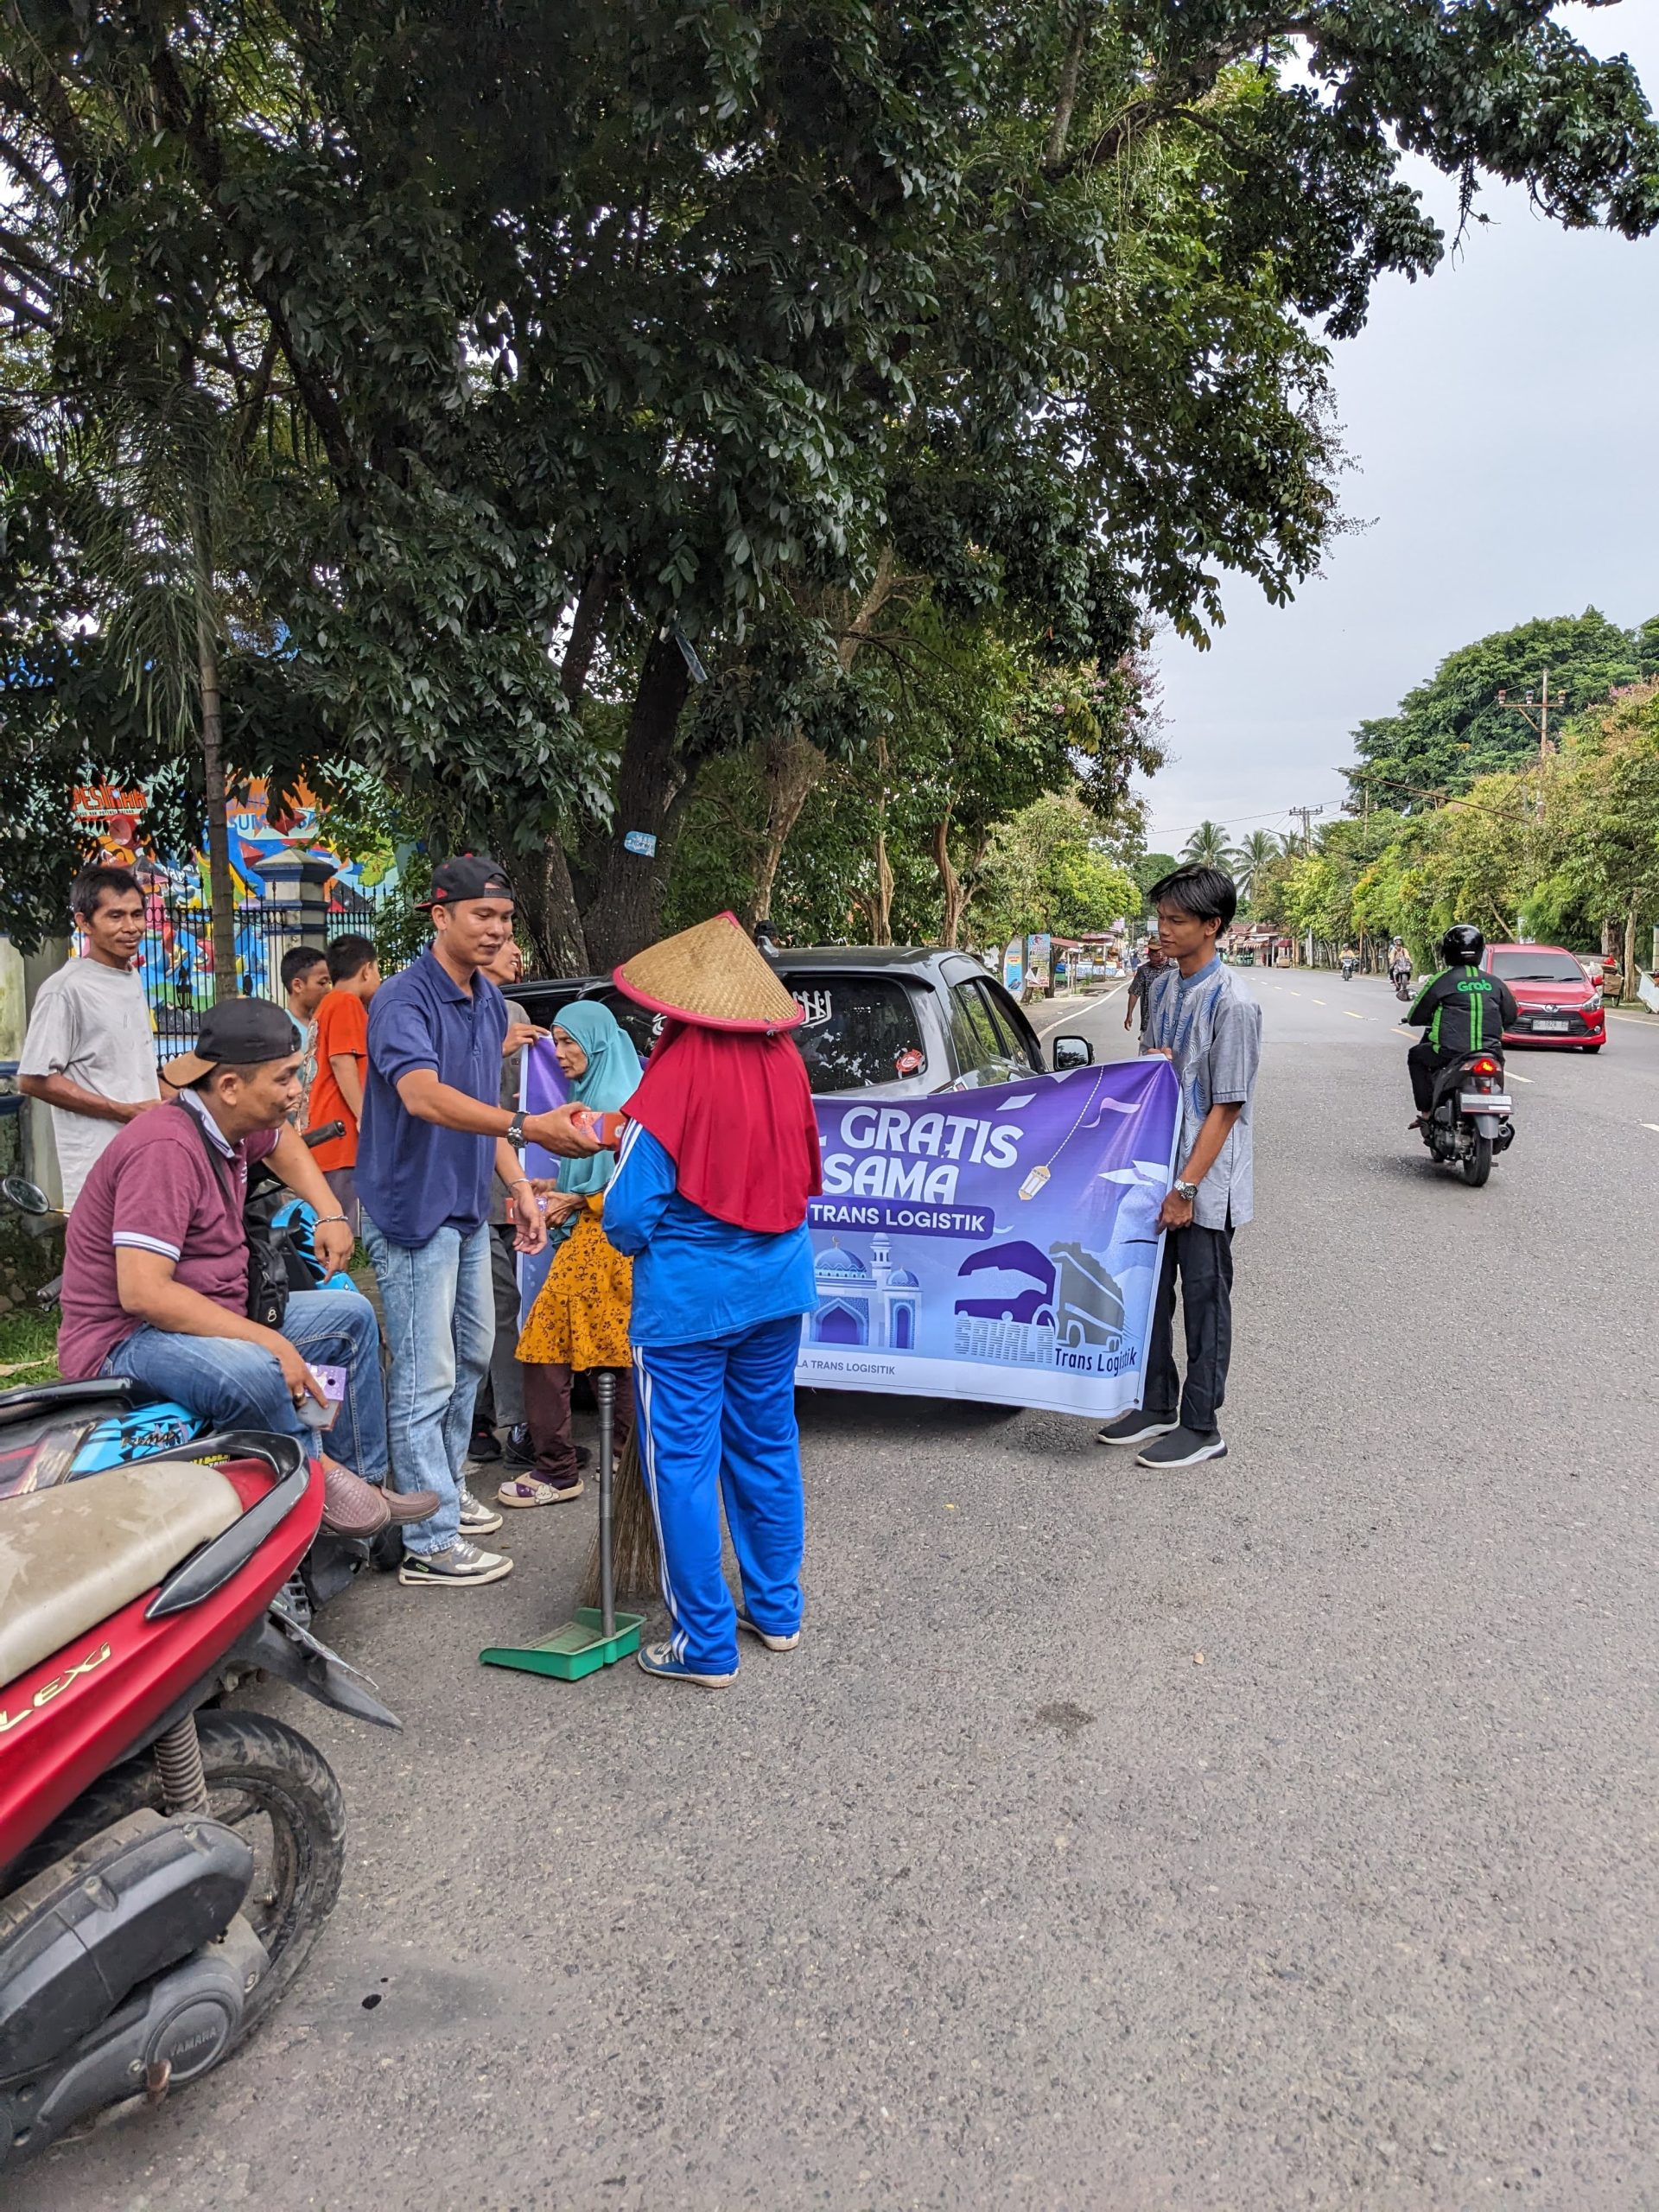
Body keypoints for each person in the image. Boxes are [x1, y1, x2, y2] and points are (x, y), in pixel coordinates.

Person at [54, 995, 435, 1535]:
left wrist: (330, 1211)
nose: (297, 1090)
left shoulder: (229, 1121)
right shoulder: (165, 1149)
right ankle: (316, 1480)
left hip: (211, 1313)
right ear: (231, 1085)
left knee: (349, 1319)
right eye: (284, 1078)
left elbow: (282, 1141)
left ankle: (364, 1486)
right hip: (127, 1339)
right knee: (260, 1368)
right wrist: (270, 1342)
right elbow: (144, 1294)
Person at [355, 855, 598, 1590]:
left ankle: (446, 1490)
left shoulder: (490, 1002)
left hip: (467, 1207)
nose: (496, 931)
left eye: (504, 919)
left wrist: (517, 1184)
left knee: (469, 1361)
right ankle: (426, 1540)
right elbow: (426, 1097)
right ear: (441, 917)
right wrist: (529, 1128)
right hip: (412, 1213)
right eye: (481, 916)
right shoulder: (402, 999)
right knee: (425, 1374)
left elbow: (481, 1110)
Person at [603, 911, 821, 1688]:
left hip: (688, 1309)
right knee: (767, 1445)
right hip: (779, 1289)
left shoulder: (674, 1076)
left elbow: (627, 1214)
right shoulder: (786, 1062)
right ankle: (778, 1611)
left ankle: (705, 1644)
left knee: (683, 1467)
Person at [1096, 864, 1261, 1470]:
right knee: (1150, 1291)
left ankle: (1201, 1425)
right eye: (1160, 918)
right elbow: (1154, 1069)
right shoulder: (1165, 987)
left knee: (1204, 1299)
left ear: (1212, 926)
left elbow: (1227, 1106)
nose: (1163, 930)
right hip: (1155, 1169)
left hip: (1204, 1182)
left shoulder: (1234, 1004)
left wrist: (1186, 1188)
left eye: (1177, 920)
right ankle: (1156, 1401)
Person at [505, 1000, 643, 1508]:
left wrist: (579, 1200)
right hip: (613, 1247)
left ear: (598, 1044)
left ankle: (557, 1470)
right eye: (557, 1041)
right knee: (619, 1350)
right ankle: (627, 1458)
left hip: (598, 1246)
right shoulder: (606, 1093)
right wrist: (558, 1190)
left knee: (543, 1349)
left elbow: (637, 1187)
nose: (559, 1053)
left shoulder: (608, 1103)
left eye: (569, 1042)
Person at [18, 863, 162, 1209]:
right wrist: (122, 1111)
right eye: (115, 916)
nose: (131, 927)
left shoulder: (130, 977)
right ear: (84, 923)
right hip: (98, 1172)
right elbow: (33, 1080)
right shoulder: (66, 989)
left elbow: (126, 1070)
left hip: (146, 1158)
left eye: (137, 914)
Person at [469, 937, 548, 1468]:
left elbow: (527, 1104)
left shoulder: (516, 1012)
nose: (515, 949)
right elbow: (442, 1090)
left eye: (515, 936)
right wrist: (497, 1050)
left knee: (509, 1303)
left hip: (515, 1181)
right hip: (467, 1185)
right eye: (501, 939)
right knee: (485, 1307)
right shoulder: (452, 1009)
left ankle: (514, 1420)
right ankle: (488, 1421)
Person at [1403, 925, 1516, 1127]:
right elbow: (1510, 1016)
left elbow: (1417, 1016)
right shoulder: (1495, 982)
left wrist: (1419, 1019)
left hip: (1450, 1053)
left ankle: (1426, 1113)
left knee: (1416, 1056)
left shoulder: (1441, 980)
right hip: (1491, 1052)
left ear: (1447, 952)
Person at [305, 934, 381, 1235]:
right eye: (377, 970)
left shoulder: (327, 1004)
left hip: (324, 1134)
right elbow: (341, 1060)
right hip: (341, 1137)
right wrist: (364, 1116)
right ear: (367, 969)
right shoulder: (346, 1003)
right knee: (343, 1230)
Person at [281, 945, 330, 1128]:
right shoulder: (282, 1029)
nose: (328, 989)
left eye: (329, 982)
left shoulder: (322, 1023)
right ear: (298, 985)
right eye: (322, 983)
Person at [1123, 932, 1165, 1039]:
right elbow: (1134, 992)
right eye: (1152, 951)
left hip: (1169, 1026)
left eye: (1157, 951)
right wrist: (1129, 1014)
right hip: (1148, 1025)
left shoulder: (1175, 970)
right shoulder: (1144, 970)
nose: (1154, 954)